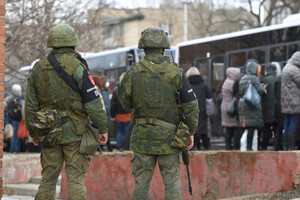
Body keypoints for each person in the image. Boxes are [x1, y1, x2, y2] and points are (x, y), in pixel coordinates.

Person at [24, 24, 108, 200]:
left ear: (52, 43)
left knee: (47, 179)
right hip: (75, 132)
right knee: (76, 179)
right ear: (73, 43)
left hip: (48, 130)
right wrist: (102, 128)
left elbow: (30, 106)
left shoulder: (38, 68)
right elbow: (93, 102)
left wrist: (34, 132)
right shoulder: (78, 67)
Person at [117, 27, 199, 200]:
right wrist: (189, 131)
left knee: (140, 184)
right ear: (164, 47)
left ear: (144, 47)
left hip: (142, 137)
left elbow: (124, 103)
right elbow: (191, 105)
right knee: (172, 185)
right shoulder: (176, 73)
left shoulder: (133, 73)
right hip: (170, 140)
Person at [238, 61, 266, 151]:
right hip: (252, 104)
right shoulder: (254, 78)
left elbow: (241, 91)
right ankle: (249, 148)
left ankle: (244, 147)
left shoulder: (243, 78)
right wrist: (263, 88)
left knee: (247, 126)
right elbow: (260, 91)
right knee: (252, 127)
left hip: (243, 103)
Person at [186, 67, 212, 150]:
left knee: (193, 129)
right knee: (203, 131)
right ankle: (206, 148)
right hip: (202, 109)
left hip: (191, 109)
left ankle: (194, 147)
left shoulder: (186, 83)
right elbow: (209, 96)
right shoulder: (204, 83)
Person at [281, 51, 300, 150]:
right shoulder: (294, 70)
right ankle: (291, 146)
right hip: (294, 102)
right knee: (293, 123)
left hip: (285, 102)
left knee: (286, 124)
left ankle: (286, 145)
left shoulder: (286, 68)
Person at [110, 72, 132, 151]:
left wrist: (112, 115)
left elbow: (113, 104)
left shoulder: (116, 90)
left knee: (119, 131)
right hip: (129, 114)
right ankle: (127, 146)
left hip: (119, 115)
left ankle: (119, 146)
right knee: (127, 131)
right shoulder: (130, 89)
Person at [221, 67, 240, 150]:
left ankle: (227, 146)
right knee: (235, 127)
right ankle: (234, 146)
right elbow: (237, 92)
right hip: (231, 108)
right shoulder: (231, 83)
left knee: (228, 127)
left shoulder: (226, 81)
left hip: (225, 107)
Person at [93, 75, 113, 152]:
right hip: (103, 118)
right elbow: (104, 108)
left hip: (103, 118)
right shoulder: (99, 93)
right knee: (104, 134)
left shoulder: (102, 92)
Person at [261, 63, 278, 150]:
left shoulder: (264, 80)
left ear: (266, 71)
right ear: (275, 70)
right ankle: (277, 147)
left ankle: (264, 146)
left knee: (266, 129)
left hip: (265, 108)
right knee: (276, 128)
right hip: (276, 108)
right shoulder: (278, 79)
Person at [5, 84, 24, 153]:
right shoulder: (17, 99)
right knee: (16, 134)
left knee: (14, 134)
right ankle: (14, 149)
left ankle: (14, 148)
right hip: (16, 118)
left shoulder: (9, 98)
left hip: (12, 118)